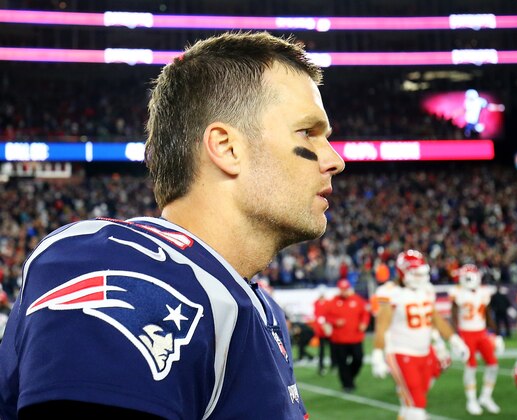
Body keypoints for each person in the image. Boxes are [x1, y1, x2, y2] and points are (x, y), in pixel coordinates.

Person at [0, 31, 345, 420]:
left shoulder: (257, 305)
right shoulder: (120, 264)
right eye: (308, 133)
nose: (335, 159)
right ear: (227, 147)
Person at [372, 250, 470, 420]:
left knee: (412, 404)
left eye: (422, 272)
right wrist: (377, 355)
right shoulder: (389, 292)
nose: (420, 277)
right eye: (415, 273)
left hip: (424, 352)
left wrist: (454, 340)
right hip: (401, 352)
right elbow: (382, 325)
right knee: (417, 405)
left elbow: (435, 318)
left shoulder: (427, 290)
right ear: (403, 272)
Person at [449, 264, 504, 415]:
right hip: (466, 334)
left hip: (481, 333)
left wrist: (497, 334)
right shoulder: (458, 293)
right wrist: (456, 337)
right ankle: (471, 400)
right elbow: (453, 317)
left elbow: (487, 314)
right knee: (471, 366)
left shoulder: (483, 292)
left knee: (493, 364)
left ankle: (486, 397)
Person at [326, 278, 371, 393]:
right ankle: (347, 384)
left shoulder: (357, 300)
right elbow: (327, 317)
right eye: (342, 289)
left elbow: (365, 314)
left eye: (346, 289)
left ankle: (350, 377)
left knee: (358, 359)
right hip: (339, 339)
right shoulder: (333, 302)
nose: (344, 292)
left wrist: (364, 323)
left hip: (355, 337)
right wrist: (335, 322)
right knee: (342, 363)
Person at [313, 284, 333, 375]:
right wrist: (321, 325)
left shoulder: (328, 303)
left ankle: (334, 365)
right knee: (321, 350)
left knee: (332, 348)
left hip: (327, 329)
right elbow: (317, 316)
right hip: (321, 330)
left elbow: (330, 315)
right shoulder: (316, 303)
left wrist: (327, 325)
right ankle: (321, 367)